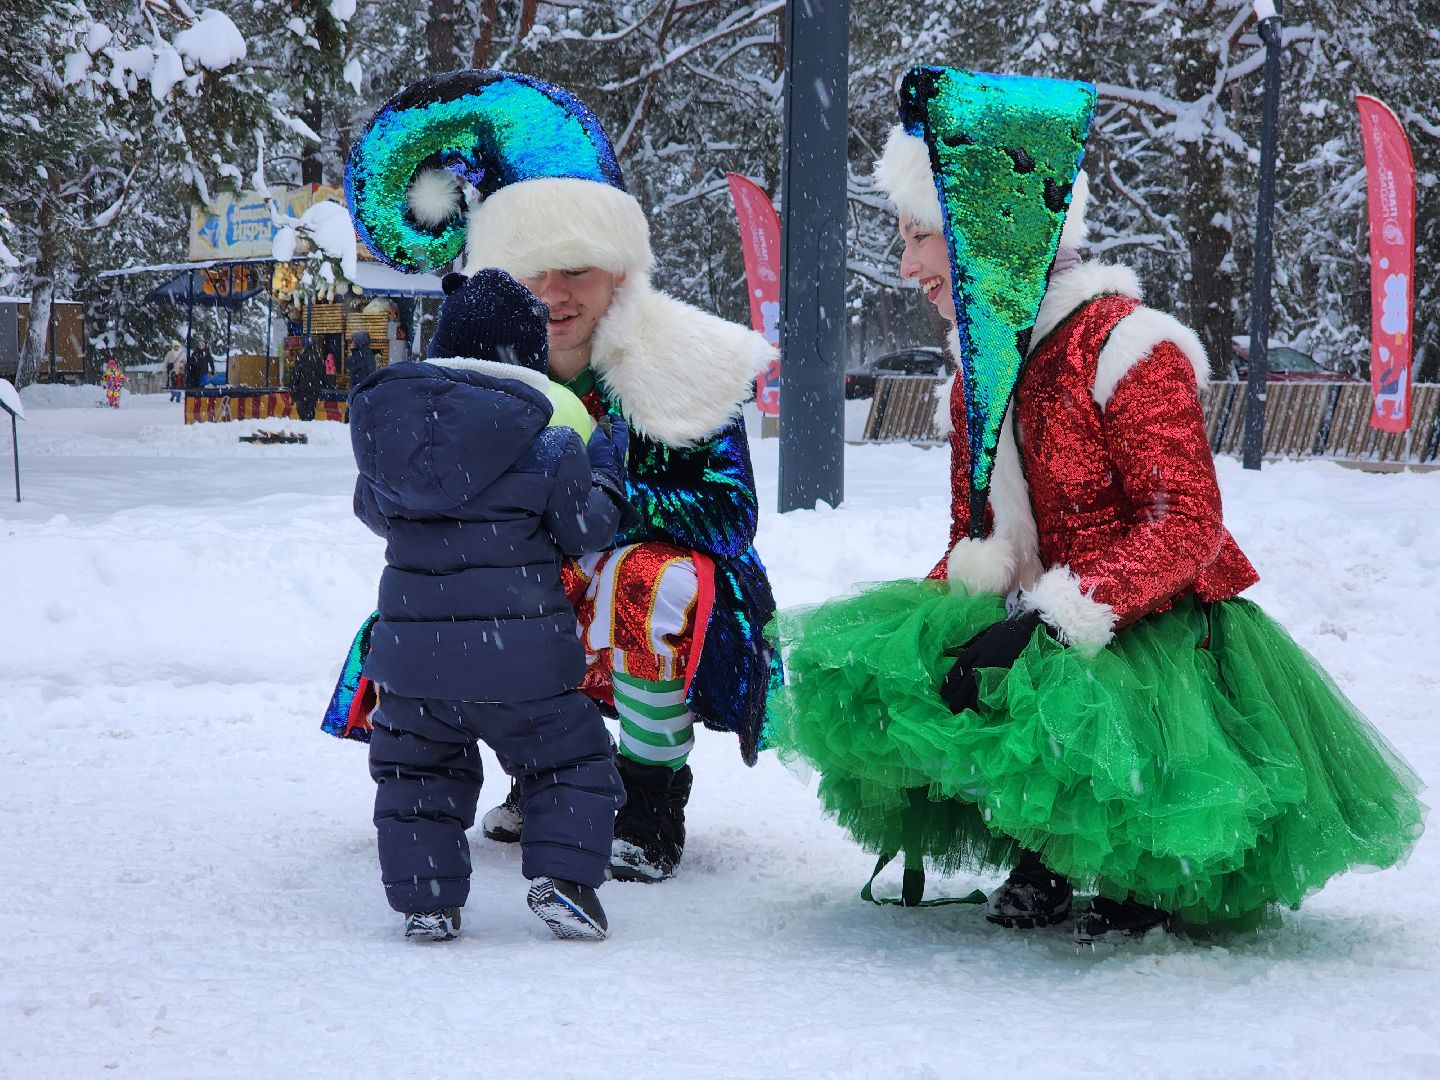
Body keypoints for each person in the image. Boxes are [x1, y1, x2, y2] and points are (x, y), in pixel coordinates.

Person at [765, 67, 1425, 942]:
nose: (907, 264)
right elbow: (985, 528)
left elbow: (1187, 526)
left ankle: (1136, 853)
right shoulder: (983, 373)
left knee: (1089, 684)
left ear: (988, 234)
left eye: (920, 236)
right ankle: (1049, 836)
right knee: (921, 660)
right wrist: (950, 609)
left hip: (1153, 625)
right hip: (1042, 601)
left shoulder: (1127, 349)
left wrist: (1054, 614)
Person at [338, 69, 779, 884]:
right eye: (533, 267)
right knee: (459, 583)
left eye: (578, 266)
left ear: (620, 270)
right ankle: (541, 775)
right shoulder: (473, 375)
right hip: (525, 606)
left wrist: (592, 509)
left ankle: (649, 795)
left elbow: (729, 515)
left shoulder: (683, 366)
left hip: (655, 608)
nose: (554, 292)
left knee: (650, 578)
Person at [349, 267, 631, 942]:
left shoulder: (390, 447)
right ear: (524, 358)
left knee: (417, 769)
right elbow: (588, 530)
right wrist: (609, 463)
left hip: (414, 671)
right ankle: (564, 880)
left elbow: (371, 511)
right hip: (523, 668)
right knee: (569, 759)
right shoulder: (549, 444)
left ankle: (427, 898)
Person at [290, 336, 325, 421]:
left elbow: (295, 376)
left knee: (302, 414)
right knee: (311, 413)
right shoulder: (319, 359)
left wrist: (293, 392)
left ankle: (304, 426)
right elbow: (322, 376)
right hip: (314, 391)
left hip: (302, 390)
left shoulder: (300, 358)